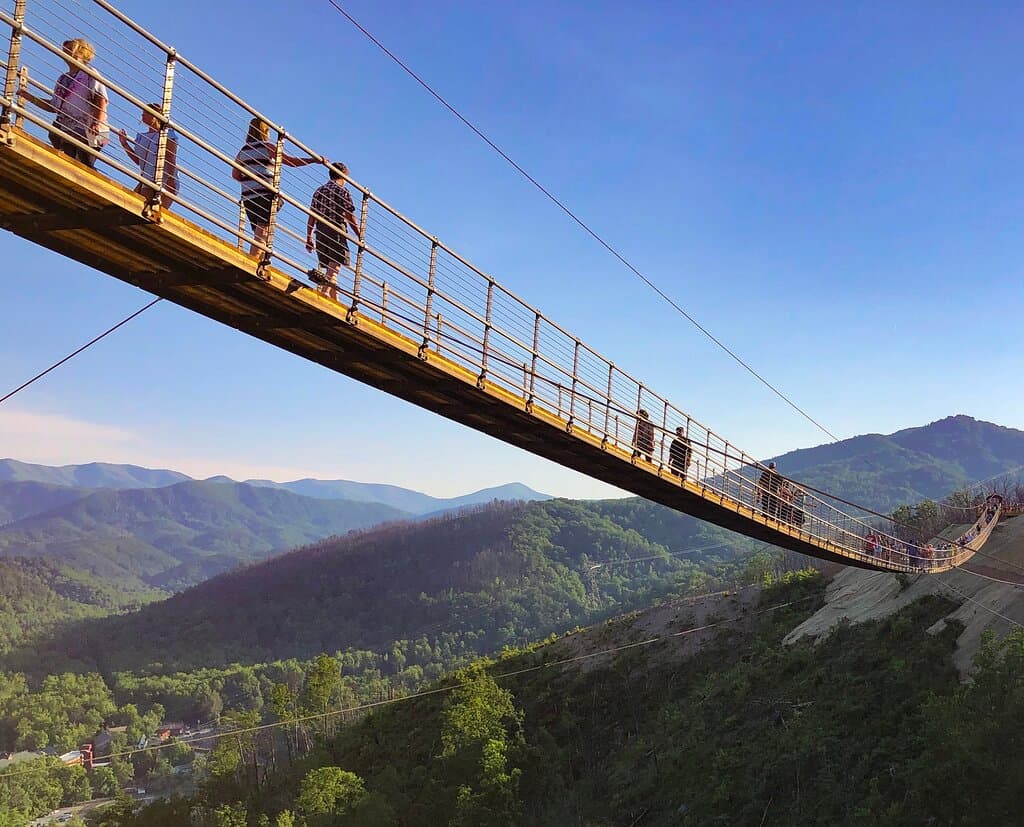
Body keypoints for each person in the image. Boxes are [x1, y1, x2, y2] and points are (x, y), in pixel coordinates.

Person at [232, 117, 319, 256]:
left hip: (248, 197)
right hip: (265, 194)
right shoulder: (267, 146)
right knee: (262, 233)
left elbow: (235, 174)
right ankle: (252, 261)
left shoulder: (243, 150)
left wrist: (251, 178)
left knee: (261, 233)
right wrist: (312, 160)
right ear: (266, 131)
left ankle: (261, 260)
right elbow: (291, 161)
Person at [20, 38, 108, 168]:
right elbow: (54, 106)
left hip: (92, 129)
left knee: (82, 163)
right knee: (68, 158)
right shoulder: (62, 79)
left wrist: (96, 122)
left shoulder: (90, 73)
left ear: (79, 52)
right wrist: (30, 97)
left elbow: (101, 99)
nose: (63, 52)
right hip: (69, 128)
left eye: (69, 49)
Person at [306, 162, 359, 301]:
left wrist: (309, 237)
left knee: (330, 266)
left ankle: (335, 300)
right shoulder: (342, 190)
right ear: (343, 175)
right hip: (336, 228)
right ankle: (323, 292)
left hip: (320, 230)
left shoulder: (318, 191)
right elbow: (349, 215)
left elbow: (312, 216)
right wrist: (359, 233)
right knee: (336, 264)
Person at [117, 103, 178, 209]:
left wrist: (171, 178)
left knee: (153, 210)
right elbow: (139, 161)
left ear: (155, 116)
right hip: (147, 180)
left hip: (164, 179)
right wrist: (125, 144)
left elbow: (170, 156)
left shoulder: (167, 134)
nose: (142, 116)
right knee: (138, 209)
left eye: (146, 113)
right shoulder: (141, 137)